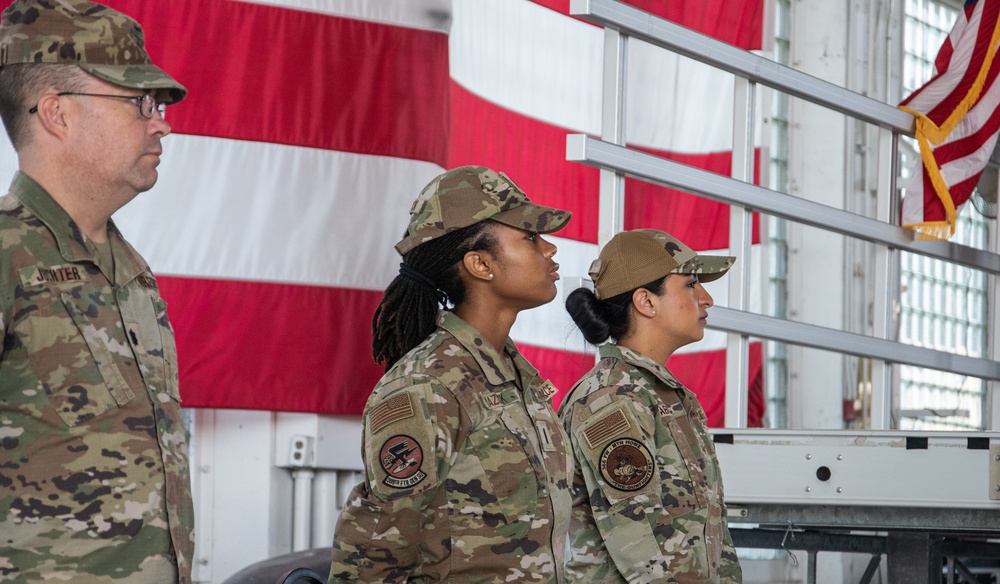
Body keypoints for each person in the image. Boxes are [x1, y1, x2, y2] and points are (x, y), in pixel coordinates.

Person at [0, 1, 193, 582]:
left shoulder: (128, 267)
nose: (161, 122)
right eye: (139, 102)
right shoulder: (8, 255)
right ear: (57, 114)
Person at [330, 166, 574, 583]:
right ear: (480, 264)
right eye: (530, 238)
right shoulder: (428, 385)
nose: (549, 249)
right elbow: (375, 554)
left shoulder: (517, 380)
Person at [560, 229, 742, 583]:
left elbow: (709, 530)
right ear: (646, 302)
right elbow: (642, 543)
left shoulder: (658, 393)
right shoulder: (612, 398)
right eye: (690, 284)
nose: (706, 299)